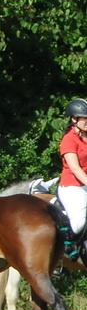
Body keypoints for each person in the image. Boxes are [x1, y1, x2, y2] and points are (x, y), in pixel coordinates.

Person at [58, 99, 87, 251]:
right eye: (85, 118)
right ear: (74, 119)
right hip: (72, 187)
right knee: (79, 223)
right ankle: (64, 243)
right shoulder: (69, 140)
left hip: (85, 184)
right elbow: (75, 169)